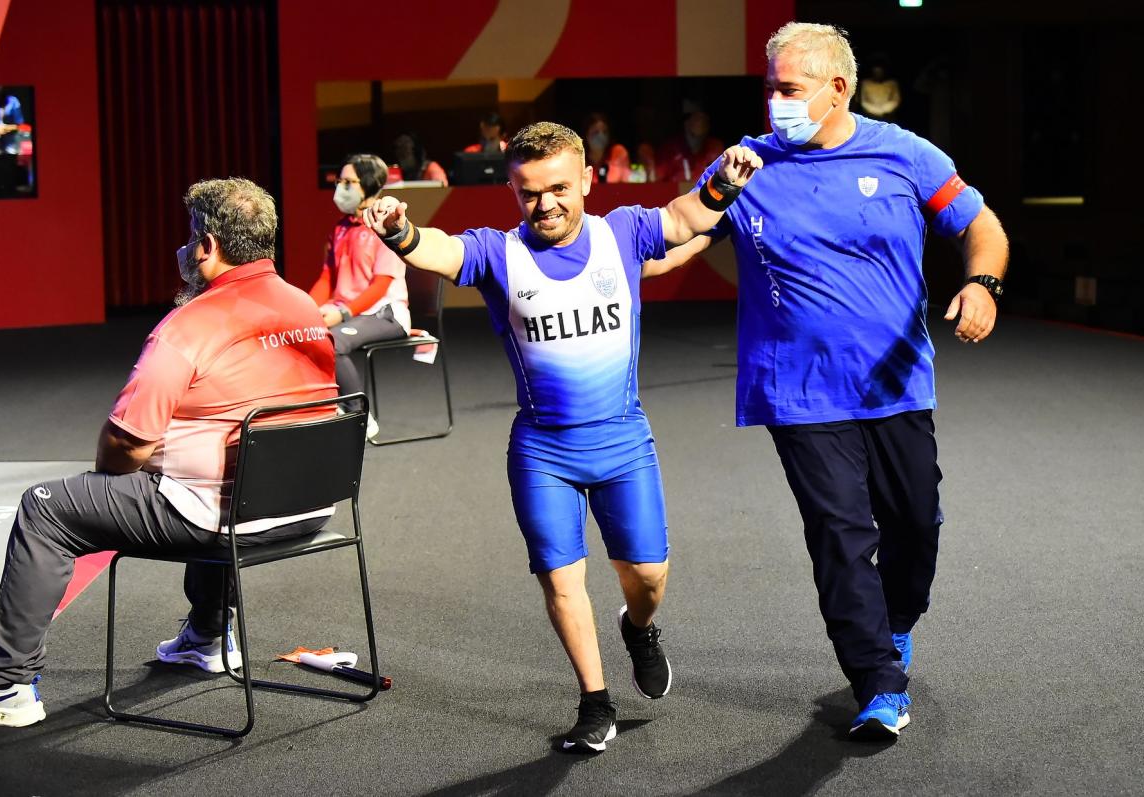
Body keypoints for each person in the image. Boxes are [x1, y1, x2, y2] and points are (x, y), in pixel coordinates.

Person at [645, 22, 1008, 741]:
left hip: (896, 384)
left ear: (838, 88)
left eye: (789, 87)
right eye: (770, 86)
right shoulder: (745, 165)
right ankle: (877, 680)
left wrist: (983, 284)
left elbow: (982, 224)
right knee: (840, 534)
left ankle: (897, 622)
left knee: (915, 523)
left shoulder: (904, 154)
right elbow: (671, 243)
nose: (775, 101)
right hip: (796, 391)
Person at [362, 121, 761, 752]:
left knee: (649, 575)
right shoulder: (499, 252)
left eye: (558, 188)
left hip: (624, 439)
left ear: (586, 180)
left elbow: (685, 220)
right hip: (543, 449)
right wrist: (397, 231)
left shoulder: (622, 230)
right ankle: (594, 701)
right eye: (528, 192)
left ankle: (638, 628)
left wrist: (724, 184)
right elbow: (436, 249)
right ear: (514, 191)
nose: (544, 203)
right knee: (561, 579)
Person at [0, 178, 339, 728]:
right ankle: (206, 635)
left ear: (207, 246)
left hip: (221, 517)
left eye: (189, 239)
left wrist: (107, 480)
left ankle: (7, 687)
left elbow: (127, 443)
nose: (183, 250)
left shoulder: (187, 326)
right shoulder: (304, 306)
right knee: (212, 472)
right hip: (308, 508)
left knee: (46, 509)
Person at [310, 153, 411, 439]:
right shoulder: (340, 228)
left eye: (348, 182)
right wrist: (305, 309)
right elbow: (327, 277)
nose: (341, 187)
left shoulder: (385, 227)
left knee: (333, 341)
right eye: (340, 181)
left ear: (367, 185)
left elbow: (380, 286)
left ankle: (359, 415)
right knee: (302, 332)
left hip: (386, 314)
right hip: (347, 309)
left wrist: (341, 314)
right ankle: (330, 406)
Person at [652, 104, 724, 183]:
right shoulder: (669, 149)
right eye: (696, 118)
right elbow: (656, 180)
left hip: (704, 193)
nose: (700, 122)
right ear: (686, 123)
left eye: (704, 119)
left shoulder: (715, 147)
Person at [581, 112, 631, 184]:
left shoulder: (619, 152)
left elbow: (627, 185)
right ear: (586, 135)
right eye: (596, 132)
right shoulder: (578, 157)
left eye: (604, 132)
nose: (601, 136)